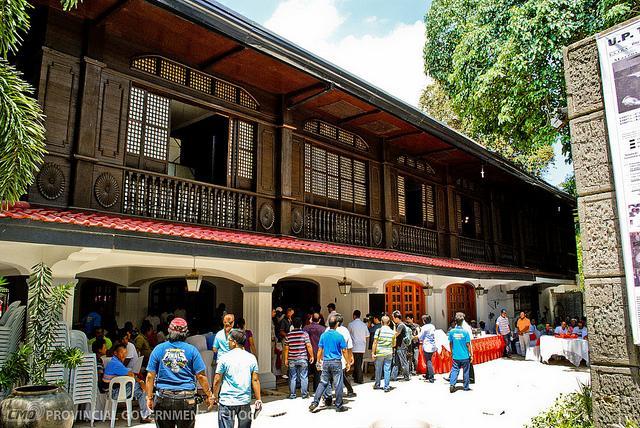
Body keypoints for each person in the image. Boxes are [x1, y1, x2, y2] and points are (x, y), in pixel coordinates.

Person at [145, 317, 214, 428]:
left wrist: (149, 397)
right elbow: (201, 376)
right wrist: (209, 395)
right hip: (186, 399)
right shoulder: (192, 350)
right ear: (186, 333)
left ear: (169, 331)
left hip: (163, 398)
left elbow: (150, 376)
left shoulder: (159, 349)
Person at [212, 329, 262, 428]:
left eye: (229, 340)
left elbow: (217, 380)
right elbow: (255, 380)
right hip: (244, 402)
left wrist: (215, 396)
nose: (227, 342)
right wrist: (258, 399)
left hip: (227, 402)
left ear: (234, 342)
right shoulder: (251, 358)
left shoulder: (224, 358)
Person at [309, 314, 350, 413]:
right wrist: (348, 362)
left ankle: (315, 402)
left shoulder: (324, 335)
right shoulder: (339, 336)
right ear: (336, 324)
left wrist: (318, 361)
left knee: (323, 382)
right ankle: (339, 405)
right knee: (338, 384)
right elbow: (344, 350)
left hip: (326, 362)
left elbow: (320, 350)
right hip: (336, 362)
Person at [104, 343, 152, 422]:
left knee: (141, 391)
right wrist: (141, 382)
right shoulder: (115, 364)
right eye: (121, 352)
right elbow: (131, 374)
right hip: (115, 393)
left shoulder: (115, 362)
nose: (124, 355)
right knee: (140, 387)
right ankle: (145, 414)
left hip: (115, 391)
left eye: (125, 352)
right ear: (115, 353)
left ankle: (145, 415)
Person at [283, 317, 314, 399]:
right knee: (304, 376)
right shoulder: (305, 334)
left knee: (292, 377)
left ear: (292, 324)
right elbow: (308, 346)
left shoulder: (288, 335)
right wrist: (311, 356)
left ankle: (292, 394)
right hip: (303, 358)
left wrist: (286, 359)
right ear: (301, 325)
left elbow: (286, 348)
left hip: (292, 359)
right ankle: (304, 394)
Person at [448, 313, 473, 393]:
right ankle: (466, 387)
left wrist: (452, 352)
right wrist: (471, 355)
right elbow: (468, 344)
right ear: (462, 322)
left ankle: (452, 384)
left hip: (456, 355)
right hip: (465, 355)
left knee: (455, 370)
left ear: (455, 322)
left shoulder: (452, 332)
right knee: (466, 371)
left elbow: (451, 343)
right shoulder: (465, 332)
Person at [334, 314, 356, 398]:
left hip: (329, 357)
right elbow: (348, 346)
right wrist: (349, 359)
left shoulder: (328, 330)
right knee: (342, 375)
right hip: (342, 356)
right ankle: (347, 391)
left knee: (330, 377)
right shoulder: (344, 330)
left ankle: (327, 395)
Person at [372, 315, 395, 392]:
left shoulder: (378, 330)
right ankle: (386, 386)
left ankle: (377, 384)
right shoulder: (392, 332)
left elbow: (375, 342)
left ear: (381, 322)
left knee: (378, 369)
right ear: (389, 323)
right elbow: (394, 344)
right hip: (389, 352)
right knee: (387, 369)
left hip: (380, 353)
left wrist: (373, 353)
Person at [303, 312, 325, 391]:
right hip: (319, 353)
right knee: (318, 373)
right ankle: (316, 389)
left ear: (311, 319)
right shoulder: (323, 329)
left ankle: (306, 390)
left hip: (308, 353)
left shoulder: (306, 328)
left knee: (306, 373)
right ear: (319, 320)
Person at [347, 310, 370, 384]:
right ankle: (356, 376)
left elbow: (348, 335)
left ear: (354, 316)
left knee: (356, 363)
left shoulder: (351, 324)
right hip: (362, 347)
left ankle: (360, 379)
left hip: (354, 346)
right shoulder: (364, 325)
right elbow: (367, 335)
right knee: (358, 362)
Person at [390, 310, 410, 381]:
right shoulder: (399, 325)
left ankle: (407, 376)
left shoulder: (401, 325)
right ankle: (393, 377)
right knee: (396, 362)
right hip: (398, 346)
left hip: (401, 347)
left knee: (403, 362)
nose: (393, 319)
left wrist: (394, 327)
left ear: (396, 318)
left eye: (393, 318)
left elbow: (395, 334)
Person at [418, 315, 436, 383]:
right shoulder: (432, 326)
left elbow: (421, 337)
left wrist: (418, 331)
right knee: (429, 360)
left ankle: (431, 377)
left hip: (427, 345)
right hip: (432, 345)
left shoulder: (424, 327)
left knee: (428, 361)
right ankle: (427, 375)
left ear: (424, 321)